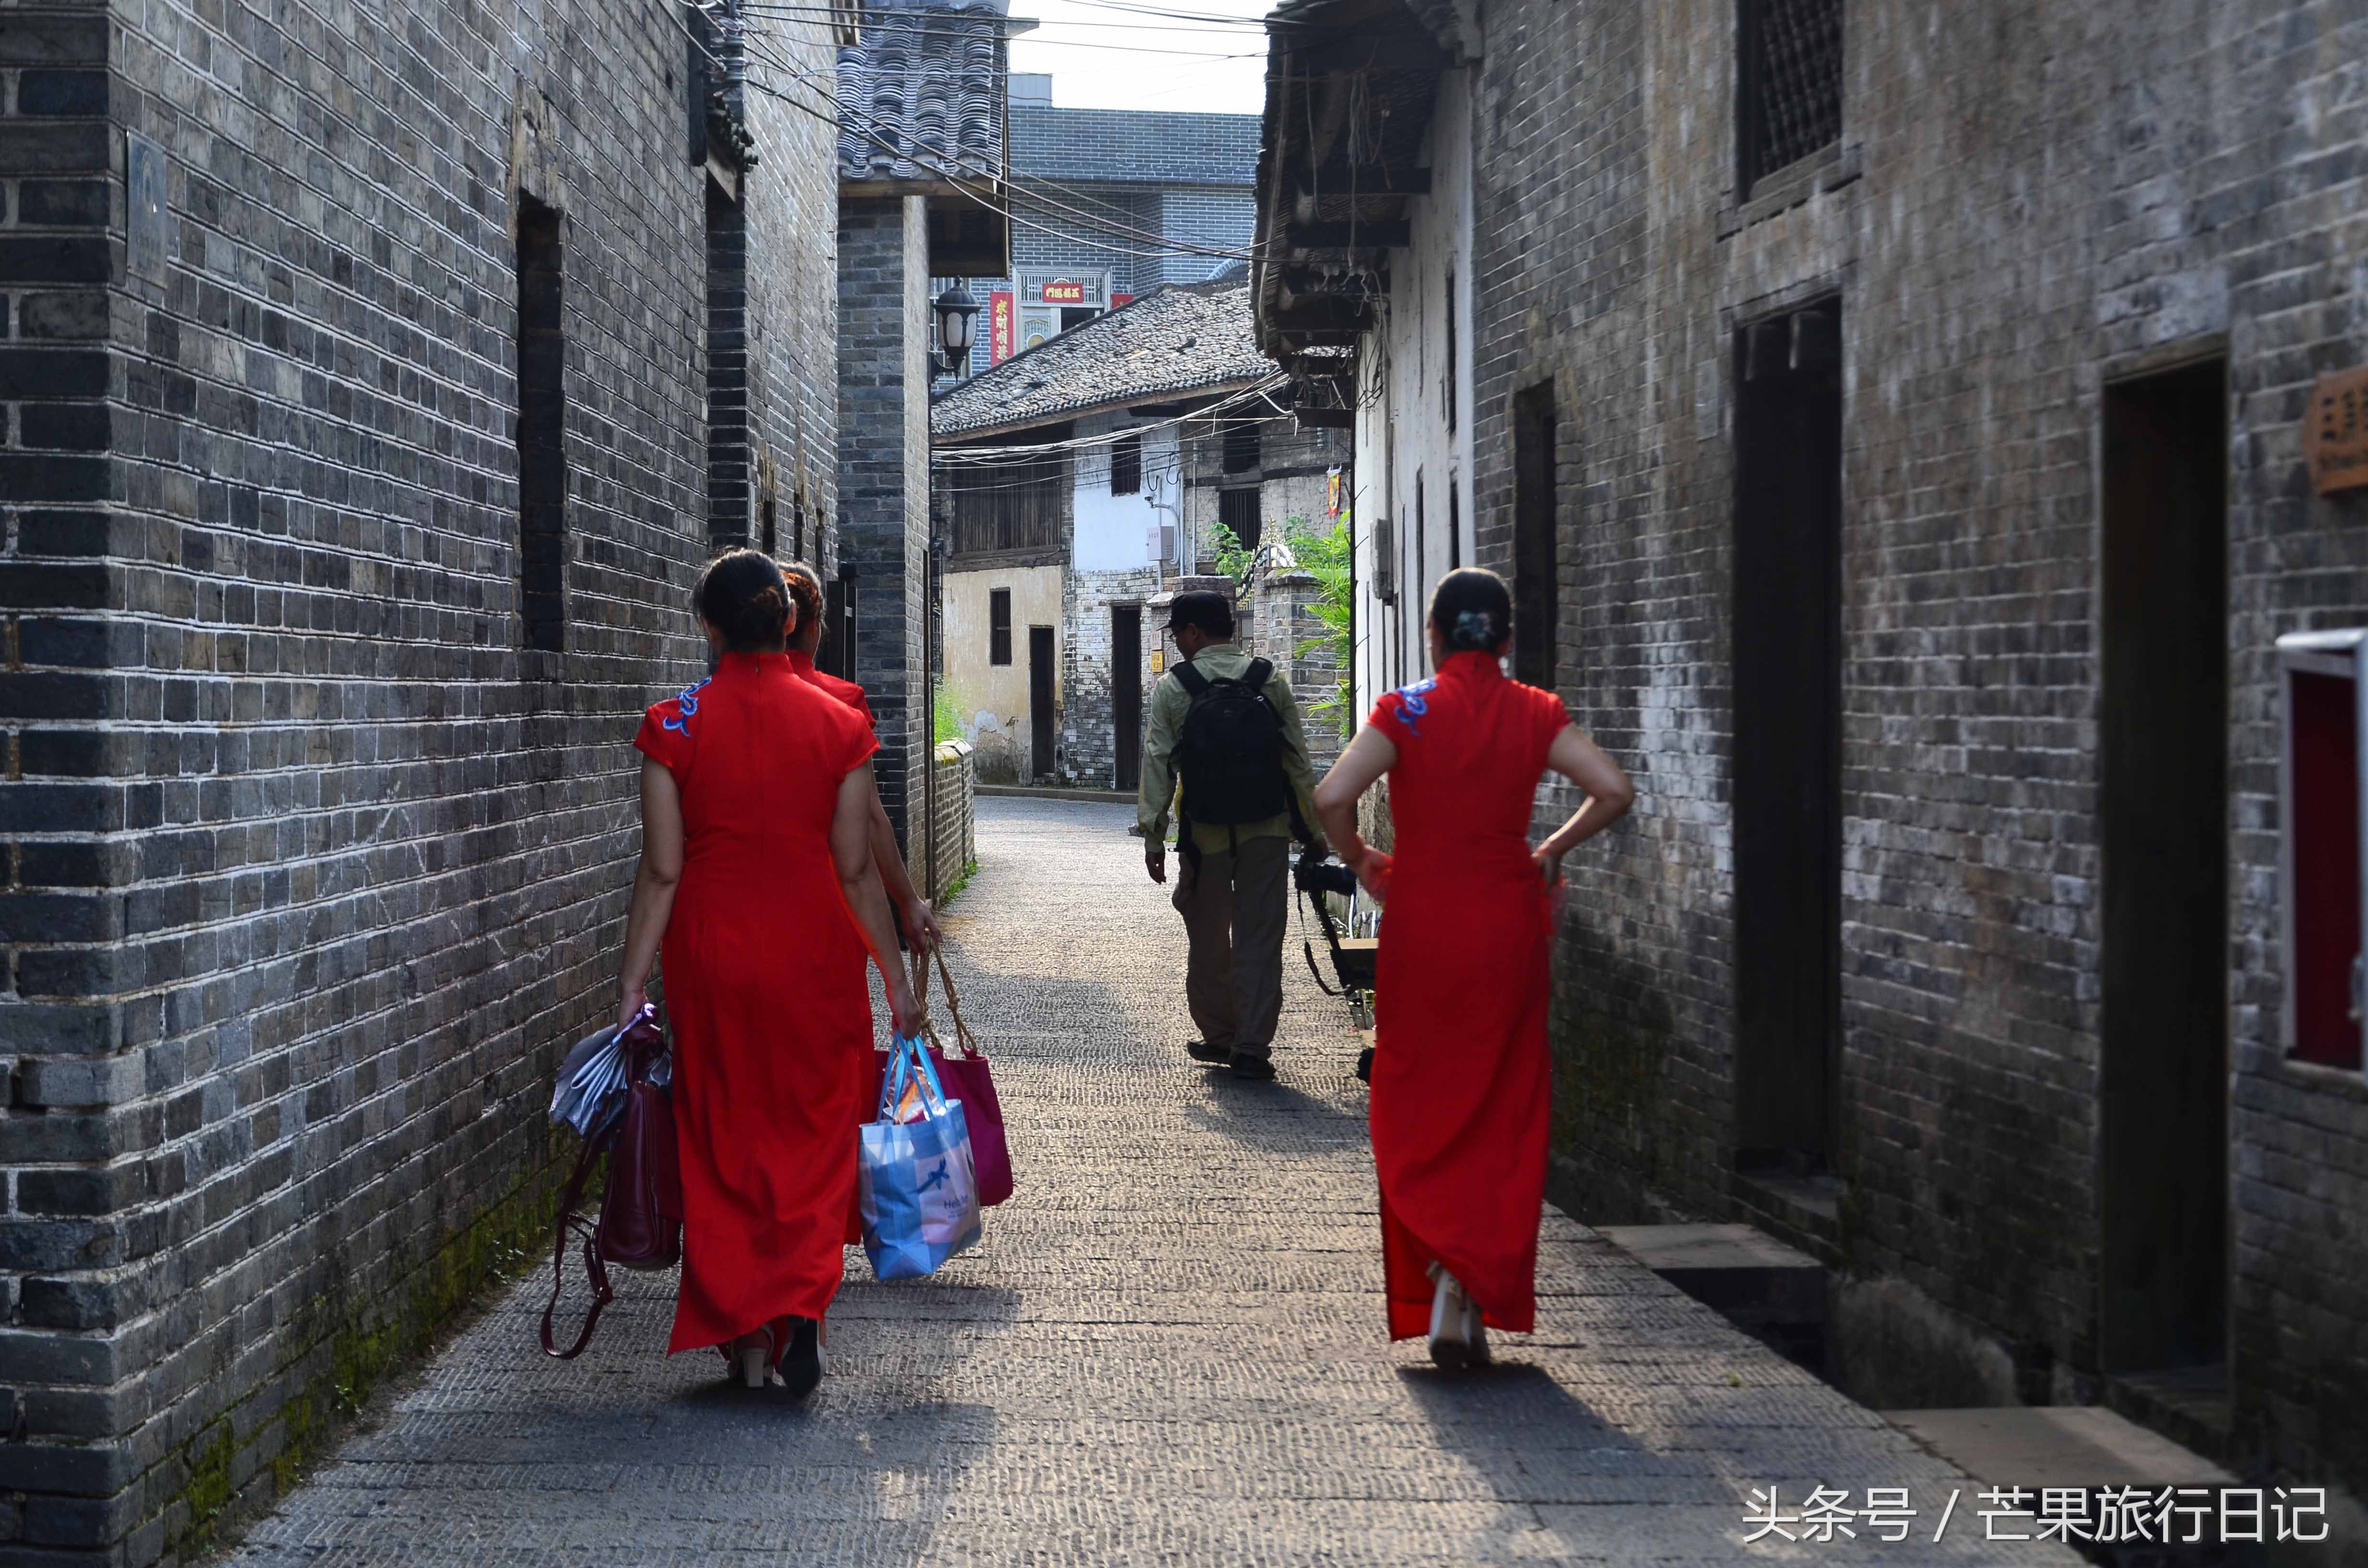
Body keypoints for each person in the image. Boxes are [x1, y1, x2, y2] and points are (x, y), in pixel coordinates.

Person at [1311, 567, 1634, 1370]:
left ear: (1433, 635)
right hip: (1506, 928)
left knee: (1416, 1093)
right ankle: (1467, 1284)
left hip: (1423, 926)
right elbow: (1612, 788)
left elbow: (1330, 793)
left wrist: (1360, 857)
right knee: (1501, 1103)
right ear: (1505, 638)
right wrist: (1550, 848)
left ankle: (1441, 1267)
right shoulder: (1534, 711)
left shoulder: (1406, 711)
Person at [616, 549, 922, 1396]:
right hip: (813, 954)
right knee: (813, 1128)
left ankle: (746, 1332)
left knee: (722, 1135)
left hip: (713, 957)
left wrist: (632, 980)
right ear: (788, 621)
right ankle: (800, 1307)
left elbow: (662, 868)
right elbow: (857, 869)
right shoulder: (838, 721)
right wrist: (895, 983)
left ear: (707, 626)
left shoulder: (672, 723)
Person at [1137, 588, 1323, 1080]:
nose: (1176, 643)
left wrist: (1154, 836)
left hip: (1205, 837)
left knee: (1208, 939)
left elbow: (1158, 765)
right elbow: (1297, 763)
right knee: (1260, 938)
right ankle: (1252, 1045)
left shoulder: (1175, 688)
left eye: (1177, 633)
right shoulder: (1269, 681)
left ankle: (1219, 1034)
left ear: (1194, 632)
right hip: (1267, 831)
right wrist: (1311, 830)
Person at [778, 559, 944, 953]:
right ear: (814, 628)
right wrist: (907, 901)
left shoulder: (698, 710)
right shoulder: (843, 703)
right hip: (825, 902)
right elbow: (871, 817)